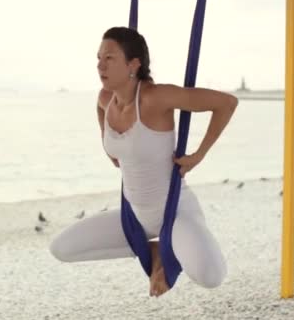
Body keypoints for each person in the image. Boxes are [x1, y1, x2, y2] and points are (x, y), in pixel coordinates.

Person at [49, 26, 238, 297]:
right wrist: (108, 143)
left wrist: (198, 155)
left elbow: (227, 103)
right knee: (61, 248)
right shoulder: (105, 99)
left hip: (174, 213)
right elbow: (100, 112)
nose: (100, 65)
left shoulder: (155, 97)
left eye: (109, 58)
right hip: (134, 216)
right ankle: (153, 249)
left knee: (210, 276)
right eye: (98, 58)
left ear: (133, 64)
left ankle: (170, 246)